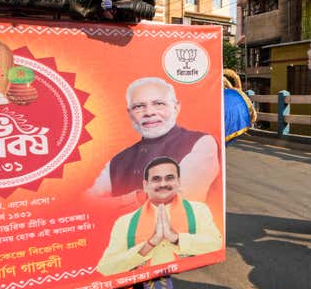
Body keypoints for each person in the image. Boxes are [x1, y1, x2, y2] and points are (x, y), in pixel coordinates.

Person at [88, 77, 219, 208]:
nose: (149, 113)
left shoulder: (200, 143)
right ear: (130, 113)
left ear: (176, 107)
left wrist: (114, 204)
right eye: (139, 106)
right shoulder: (118, 161)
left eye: (159, 104)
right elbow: (87, 202)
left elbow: (175, 202)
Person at [96, 156, 222, 276]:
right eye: (156, 179)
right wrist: (149, 244)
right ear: (146, 185)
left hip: (188, 279)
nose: (163, 184)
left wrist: (176, 239)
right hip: (143, 283)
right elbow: (106, 267)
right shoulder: (125, 222)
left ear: (178, 182)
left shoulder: (198, 210)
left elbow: (216, 245)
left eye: (169, 178)